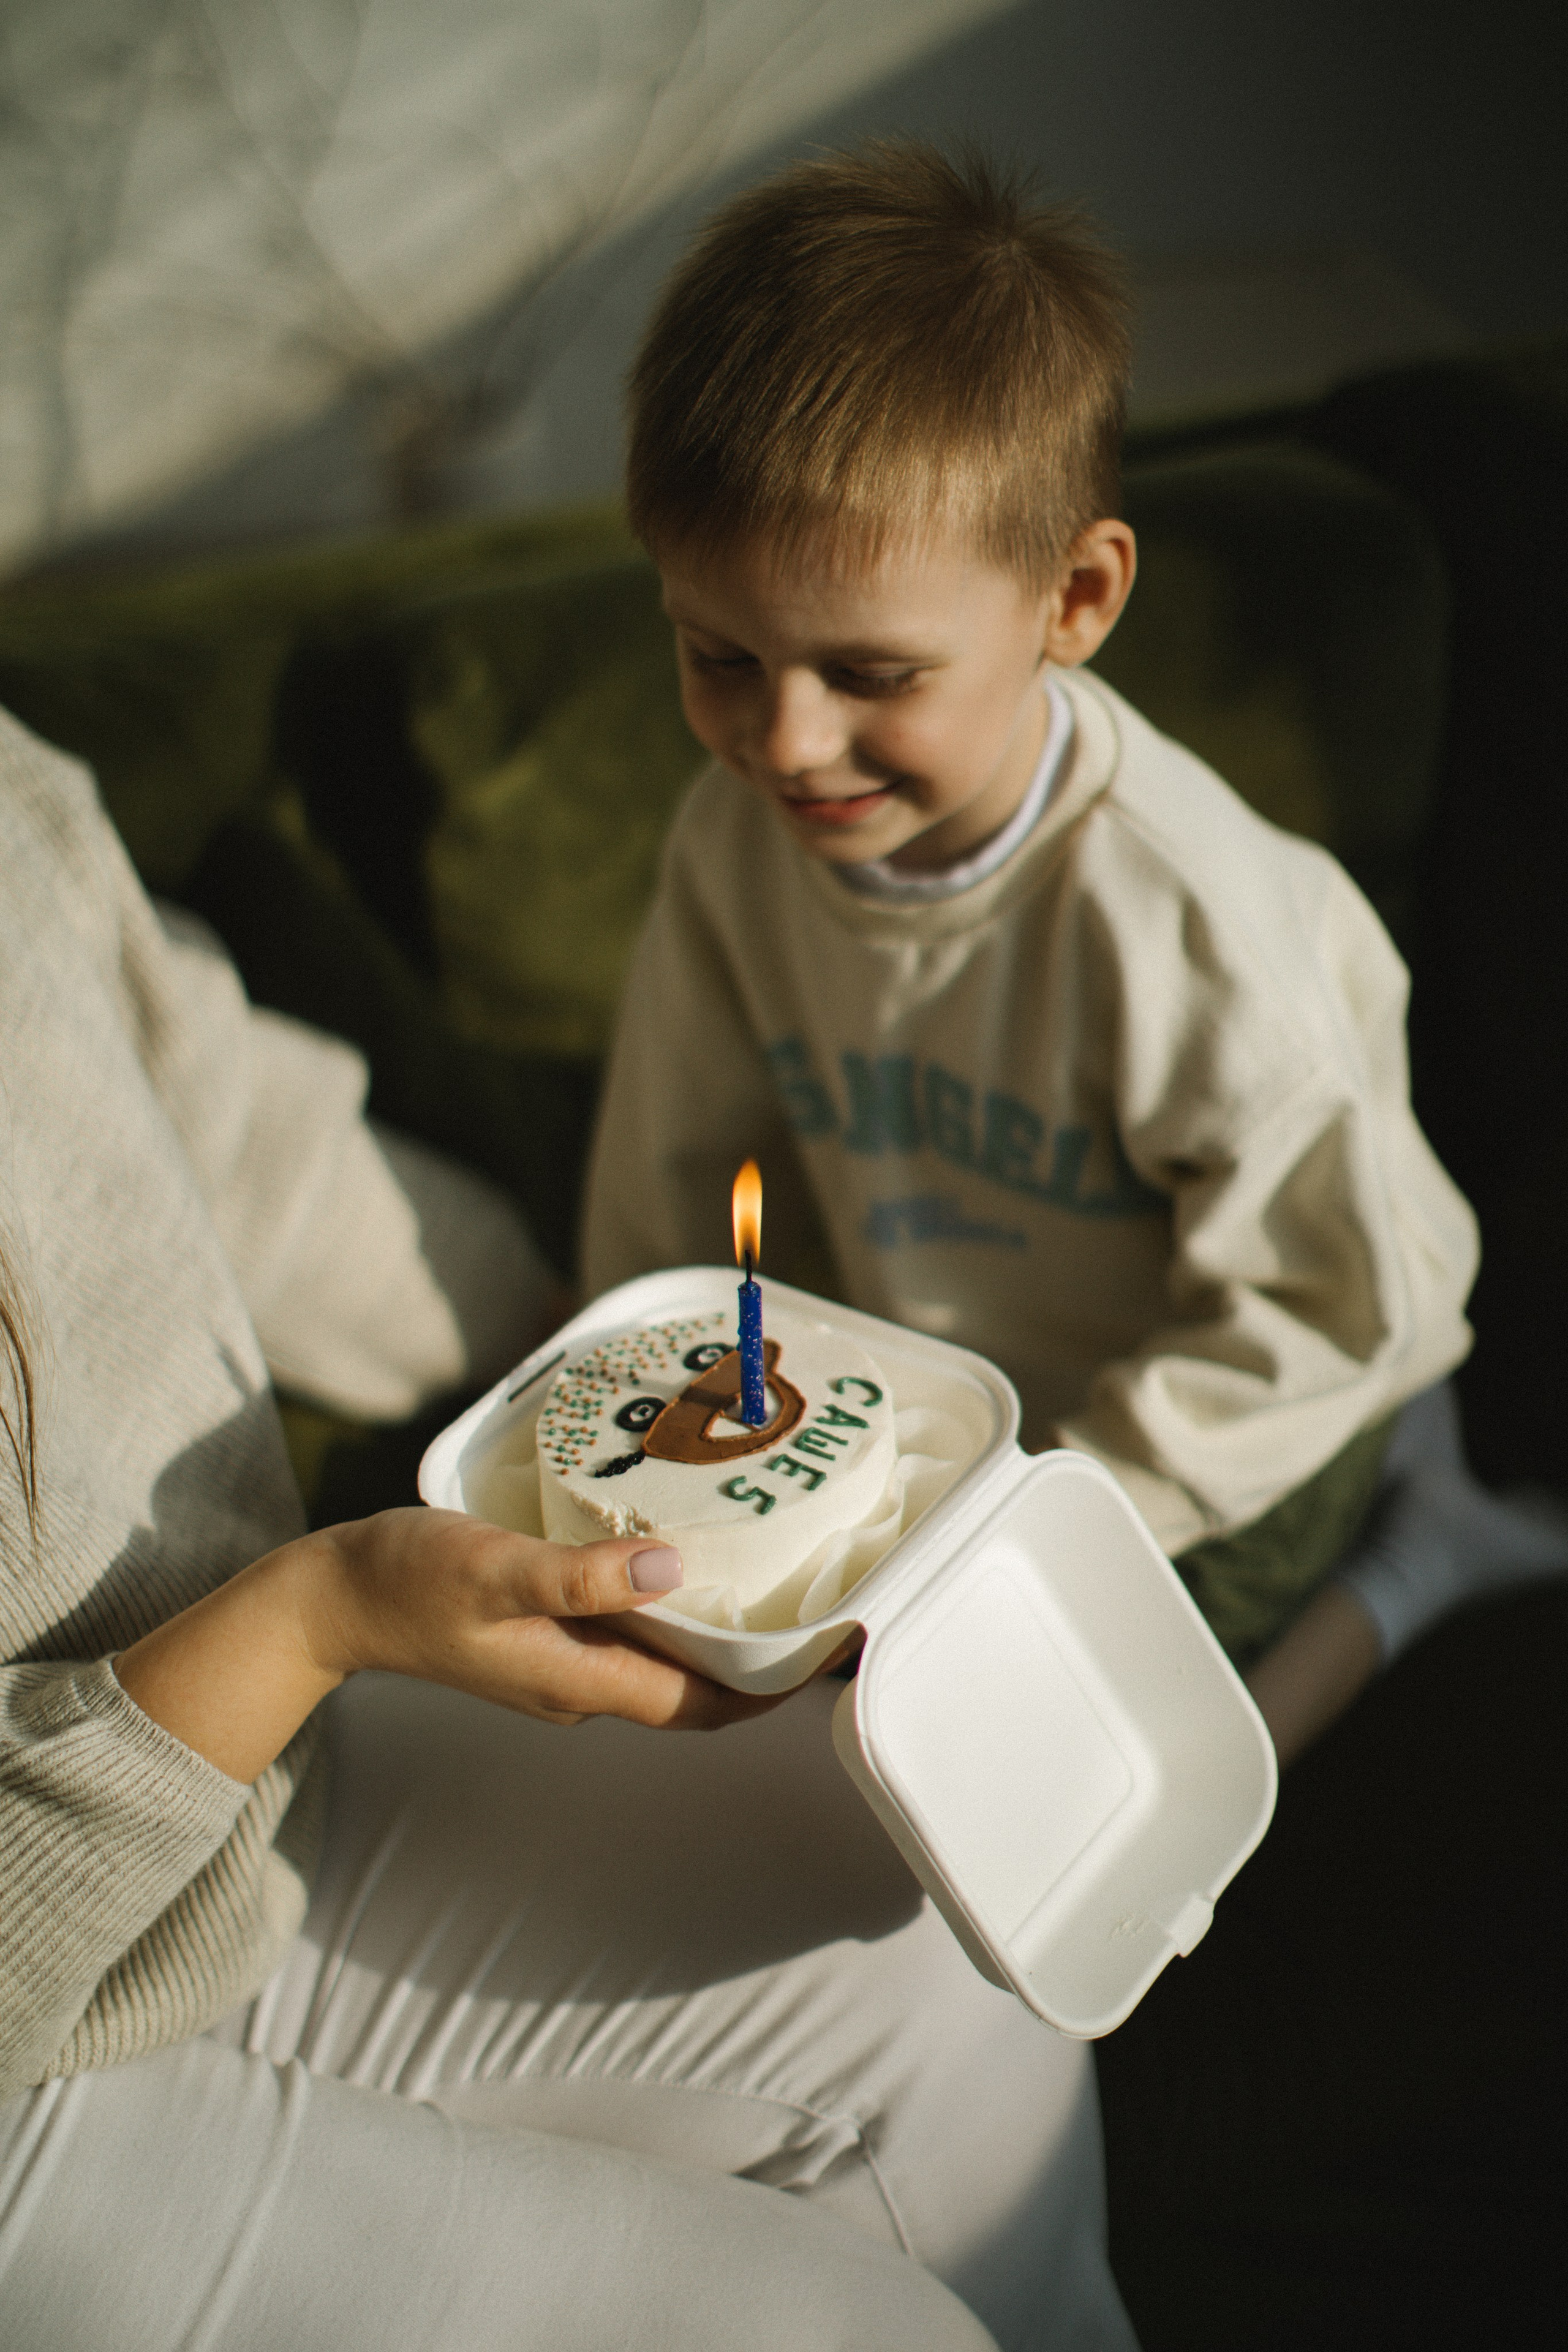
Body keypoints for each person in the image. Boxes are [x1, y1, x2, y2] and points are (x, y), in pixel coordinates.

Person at [0, 701, 1139, 2352]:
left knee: (941, 1951)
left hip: (241, 1815)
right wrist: (315, 1619)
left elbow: (218, 1129)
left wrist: (580, 1370)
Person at [582, 141, 1566, 1769]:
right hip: (976, 1419)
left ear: (1077, 598)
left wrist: (1043, 1521)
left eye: (870, 671)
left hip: (1255, 1412)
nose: (785, 736)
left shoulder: (1193, 919)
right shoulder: (726, 839)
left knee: (1103, 1761)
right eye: (719, 654)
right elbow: (678, 1171)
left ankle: (1413, 1562)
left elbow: (1343, 1302)